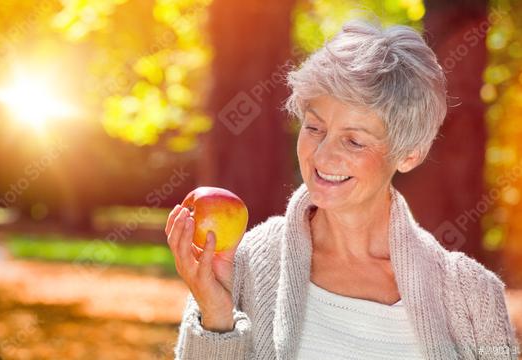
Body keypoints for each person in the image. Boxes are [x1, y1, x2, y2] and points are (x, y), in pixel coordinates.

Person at [166, 19, 520, 359]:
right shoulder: (241, 266)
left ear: (410, 153)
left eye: (353, 141)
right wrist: (216, 316)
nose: (322, 155)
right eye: (315, 128)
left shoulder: (475, 297)